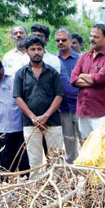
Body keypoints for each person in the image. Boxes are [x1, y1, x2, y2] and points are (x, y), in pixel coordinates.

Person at [13, 36, 64, 170]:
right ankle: (36, 188)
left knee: (56, 160)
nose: (36, 52)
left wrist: (46, 116)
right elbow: (18, 97)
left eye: (39, 49)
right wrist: (34, 118)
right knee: (35, 162)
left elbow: (59, 95)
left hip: (52, 122)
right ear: (26, 51)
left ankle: (58, 188)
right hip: (30, 124)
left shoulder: (52, 73)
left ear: (43, 51)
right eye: (33, 49)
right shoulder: (21, 74)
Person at [70, 23, 105, 140]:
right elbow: (73, 79)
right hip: (83, 111)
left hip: (103, 113)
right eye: (91, 36)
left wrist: (82, 76)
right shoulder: (84, 57)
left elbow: (100, 78)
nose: (92, 39)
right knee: (87, 149)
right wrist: (91, 79)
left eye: (96, 37)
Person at [54, 28, 81, 162]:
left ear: (70, 41)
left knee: (85, 140)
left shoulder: (80, 59)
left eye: (64, 40)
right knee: (68, 142)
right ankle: (71, 173)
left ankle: (87, 170)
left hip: (80, 106)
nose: (60, 42)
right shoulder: (52, 60)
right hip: (62, 107)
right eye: (57, 40)